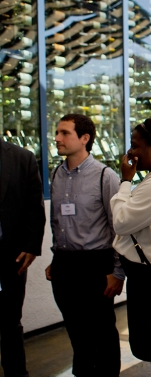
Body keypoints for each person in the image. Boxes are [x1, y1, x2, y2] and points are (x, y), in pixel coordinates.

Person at [45, 113, 123, 377]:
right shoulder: (56, 174)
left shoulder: (105, 176)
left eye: (64, 133)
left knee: (102, 333)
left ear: (84, 138)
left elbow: (119, 228)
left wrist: (117, 272)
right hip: (65, 266)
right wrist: (56, 259)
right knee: (77, 333)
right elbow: (59, 222)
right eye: (58, 132)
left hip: (96, 266)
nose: (57, 138)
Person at [111, 118, 151, 376]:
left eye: (135, 146)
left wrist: (125, 181)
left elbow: (121, 222)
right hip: (149, 275)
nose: (130, 153)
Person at [0, 139, 45, 377]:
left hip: (11, 257)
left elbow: (34, 207)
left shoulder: (21, 158)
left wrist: (31, 246)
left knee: (10, 322)